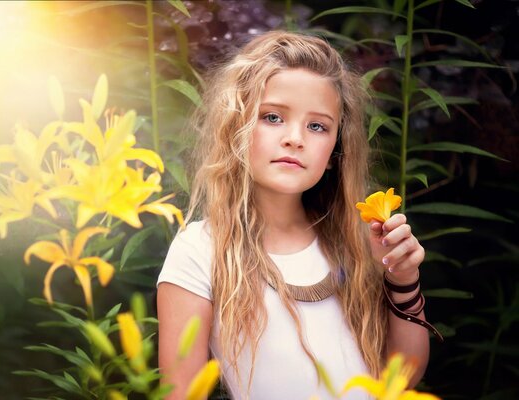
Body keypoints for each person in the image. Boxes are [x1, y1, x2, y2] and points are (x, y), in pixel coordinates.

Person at [156, 30, 440, 400]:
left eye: (318, 126)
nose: (295, 138)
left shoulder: (358, 240)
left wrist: (402, 279)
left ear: (336, 149)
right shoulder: (201, 249)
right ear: (234, 126)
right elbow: (180, 394)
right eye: (273, 117)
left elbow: (402, 379)